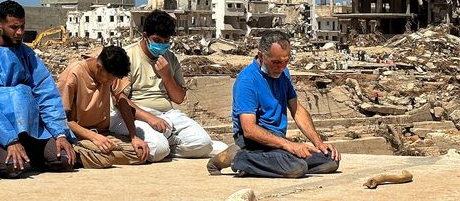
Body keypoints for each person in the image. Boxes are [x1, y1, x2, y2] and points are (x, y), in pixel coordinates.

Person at [0, 0, 75, 178]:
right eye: (14, 27)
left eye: (22, 26)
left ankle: (30, 154)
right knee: (14, 167)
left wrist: (60, 133)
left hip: (30, 130)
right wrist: (10, 140)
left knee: (65, 159)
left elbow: (46, 94)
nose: (20, 32)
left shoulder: (27, 54)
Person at [208, 30, 340, 178]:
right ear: (261, 56)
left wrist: (318, 142)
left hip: (277, 140)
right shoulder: (247, 81)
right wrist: (289, 145)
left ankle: (263, 166)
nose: (282, 67)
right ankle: (239, 158)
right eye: (276, 62)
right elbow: (249, 129)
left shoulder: (283, 73)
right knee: (296, 167)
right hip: (254, 142)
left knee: (329, 161)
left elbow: (296, 109)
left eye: (285, 61)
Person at [110, 9, 214, 162]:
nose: (162, 45)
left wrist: (167, 76)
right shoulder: (127, 56)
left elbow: (178, 98)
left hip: (167, 113)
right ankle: (160, 145)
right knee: (159, 150)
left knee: (204, 144)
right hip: (136, 114)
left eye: (166, 41)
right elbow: (121, 99)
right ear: (145, 36)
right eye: (157, 41)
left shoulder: (170, 58)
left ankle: (168, 147)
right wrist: (150, 118)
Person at [57, 45, 149, 168]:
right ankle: (77, 153)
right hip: (79, 135)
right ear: (98, 67)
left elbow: (121, 99)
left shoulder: (110, 71)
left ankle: (98, 154)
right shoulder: (73, 74)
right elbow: (63, 120)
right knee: (105, 159)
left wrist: (134, 136)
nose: (110, 83)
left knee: (141, 153)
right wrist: (93, 137)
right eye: (110, 79)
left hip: (103, 133)